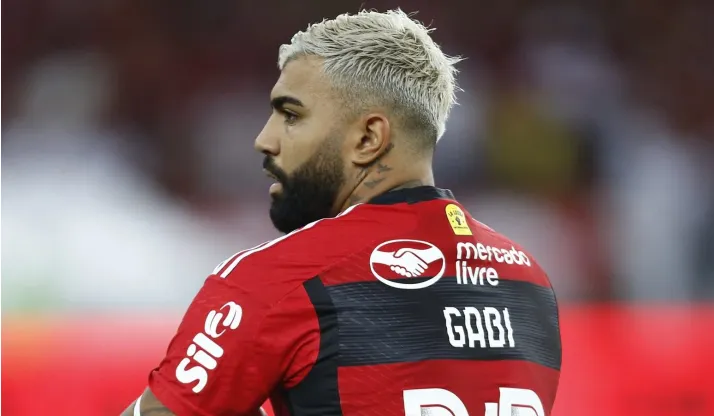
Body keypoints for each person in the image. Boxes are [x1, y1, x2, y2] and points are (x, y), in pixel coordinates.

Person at [122, 9, 561, 416]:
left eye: (291, 115)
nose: (265, 139)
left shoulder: (281, 278)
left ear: (368, 138)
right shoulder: (528, 281)